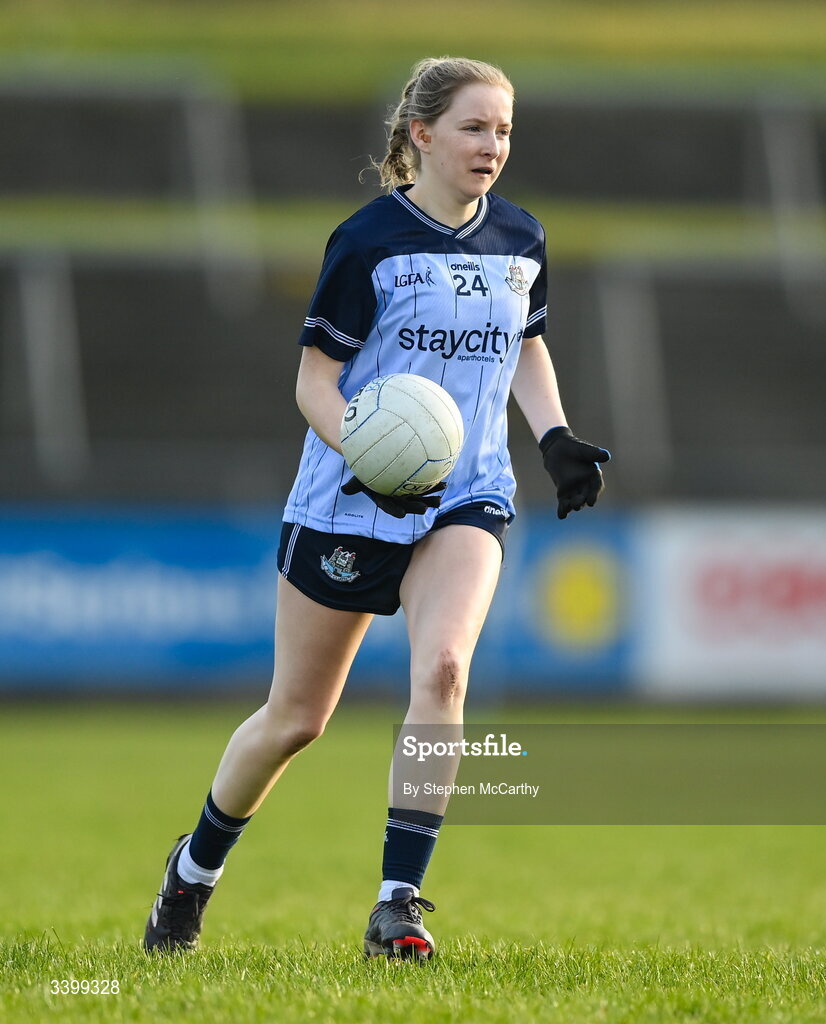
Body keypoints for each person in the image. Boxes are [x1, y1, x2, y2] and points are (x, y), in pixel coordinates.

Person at [143, 55, 609, 962]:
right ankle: (191, 874)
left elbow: (527, 347)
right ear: (421, 135)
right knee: (296, 720)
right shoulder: (367, 242)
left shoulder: (521, 238)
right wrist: (363, 446)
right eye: (475, 128)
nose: (493, 146)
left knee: (442, 672)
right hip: (351, 501)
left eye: (505, 130)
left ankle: (398, 904)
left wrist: (553, 436)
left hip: (467, 492)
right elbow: (314, 383)